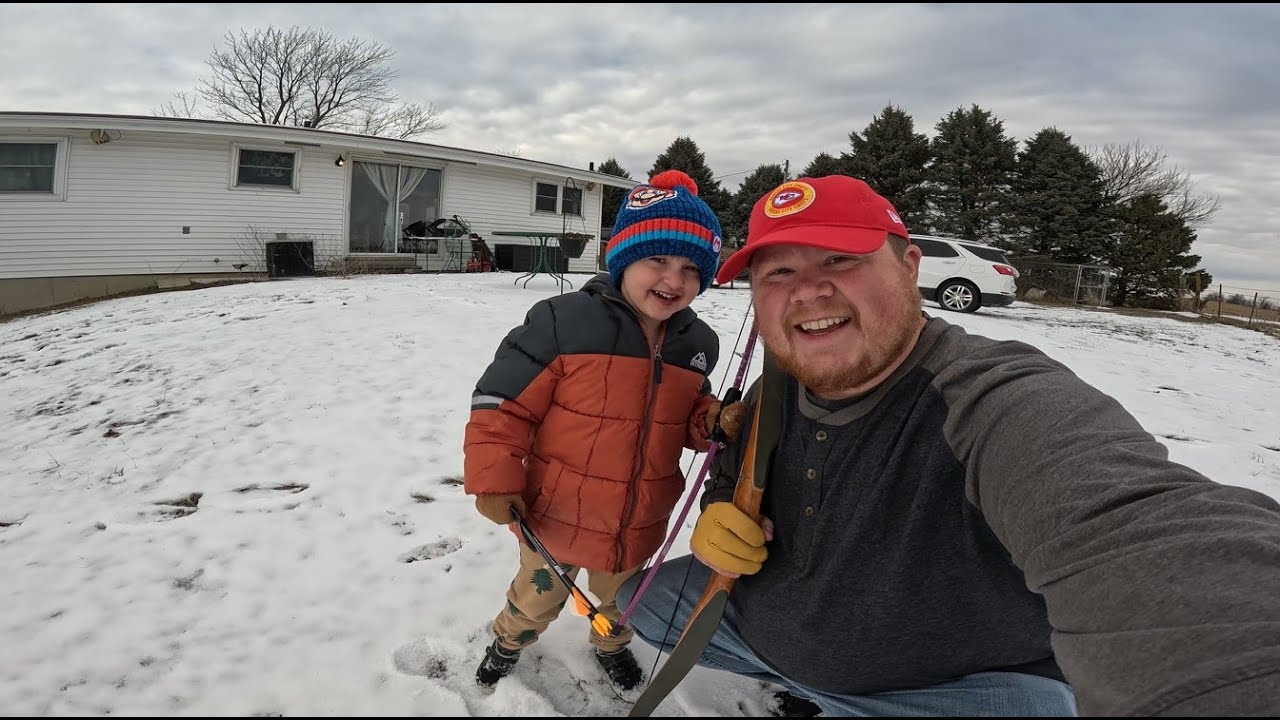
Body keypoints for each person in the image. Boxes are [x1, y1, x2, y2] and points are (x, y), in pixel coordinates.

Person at [616, 175, 1280, 717]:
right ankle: (810, 685)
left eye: (840, 260)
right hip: (769, 626)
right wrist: (719, 514)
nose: (808, 289)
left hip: (943, 686)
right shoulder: (776, 388)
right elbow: (730, 477)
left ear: (909, 267)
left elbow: (1140, 533)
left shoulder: (990, 398)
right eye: (777, 271)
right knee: (639, 605)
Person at [463, 170, 734, 697]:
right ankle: (509, 641)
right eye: (658, 259)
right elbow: (501, 404)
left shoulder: (697, 341)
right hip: (556, 510)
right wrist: (493, 479)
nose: (673, 281)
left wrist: (713, 423)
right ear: (624, 257)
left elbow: (683, 420)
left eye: (690, 269)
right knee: (538, 594)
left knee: (624, 599)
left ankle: (611, 645)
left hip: (639, 515)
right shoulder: (563, 321)